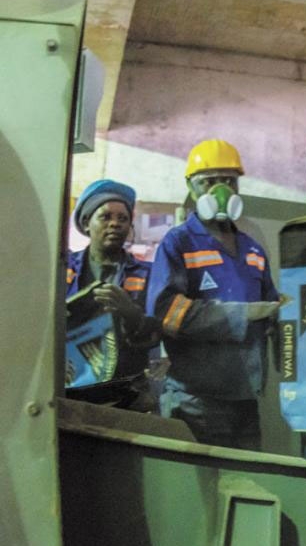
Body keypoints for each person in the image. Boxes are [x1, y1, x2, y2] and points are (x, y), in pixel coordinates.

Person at [146, 139, 281, 450]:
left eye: (229, 181)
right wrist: (241, 314)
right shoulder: (179, 243)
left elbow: (269, 307)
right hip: (198, 401)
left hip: (245, 396)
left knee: (247, 481)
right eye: (209, 182)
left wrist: (280, 314)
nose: (221, 191)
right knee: (204, 489)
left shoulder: (252, 249)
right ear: (190, 187)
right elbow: (166, 312)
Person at [66, 179, 161, 406]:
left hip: (128, 393)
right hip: (70, 387)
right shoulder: (63, 269)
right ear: (87, 222)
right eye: (105, 216)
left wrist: (132, 315)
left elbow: (157, 333)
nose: (115, 224)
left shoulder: (149, 274)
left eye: (123, 218)